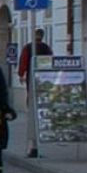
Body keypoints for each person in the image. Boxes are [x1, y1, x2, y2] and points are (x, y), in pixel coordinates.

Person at [17, 28, 53, 157]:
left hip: (32, 79)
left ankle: (33, 144)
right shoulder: (46, 48)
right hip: (44, 79)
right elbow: (51, 61)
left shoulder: (28, 47)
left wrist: (21, 74)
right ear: (42, 36)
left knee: (31, 102)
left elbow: (23, 62)